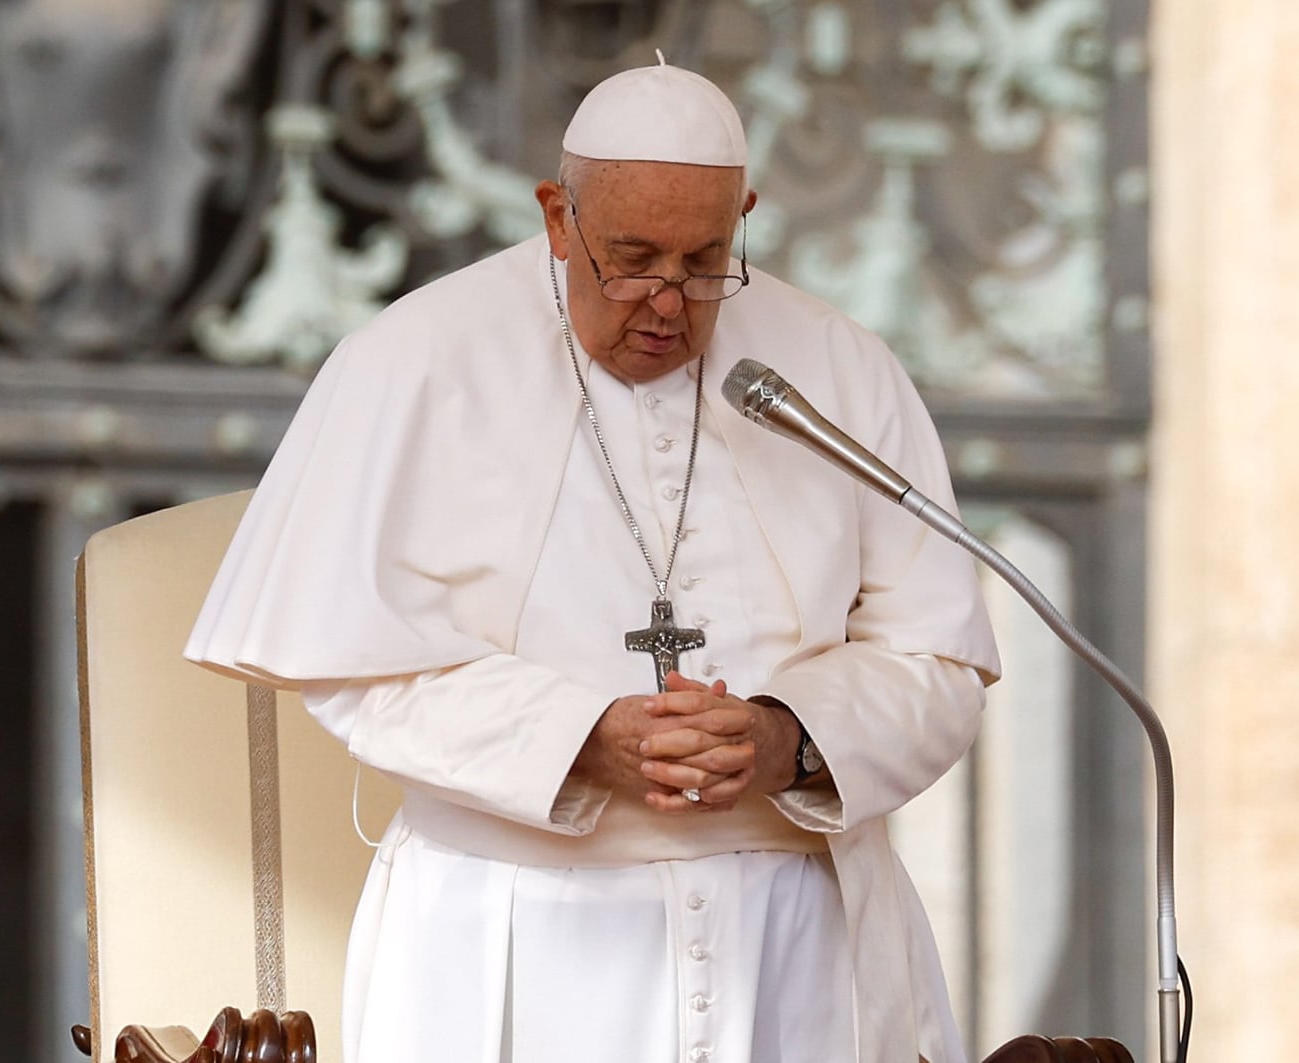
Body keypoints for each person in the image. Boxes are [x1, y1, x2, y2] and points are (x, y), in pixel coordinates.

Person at [186, 55, 1000, 1063]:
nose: (668, 302)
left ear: (744, 213)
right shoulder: (418, 360)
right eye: (632, 258)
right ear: (557, 219)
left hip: (798, 945)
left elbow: (941, 663)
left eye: (707, 261)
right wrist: (582, 738)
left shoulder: (835, 367)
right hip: (516, 939)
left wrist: (789, 737)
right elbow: (353, 668)